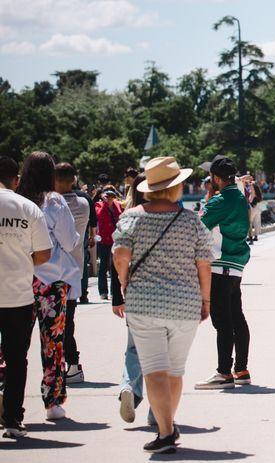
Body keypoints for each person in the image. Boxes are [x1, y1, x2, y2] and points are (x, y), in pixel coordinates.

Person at [112, 156, 213, 453]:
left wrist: (124, 280)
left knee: (154, 369)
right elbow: (204, 263)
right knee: (175, 371)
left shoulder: (131, 217)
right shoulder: (191, 221)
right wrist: (206, 300)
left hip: (144, 303)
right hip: (184, 302)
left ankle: (166, 430)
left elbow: (119, 253)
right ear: (176, 187)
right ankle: (168, 424)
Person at [15, 152, 80, 421]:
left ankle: (6, 389)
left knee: (13, 342)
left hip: (19, 279)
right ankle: (52, 402)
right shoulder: (54, 201)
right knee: (52, 343)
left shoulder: (18, 201)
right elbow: (68, 240)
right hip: (52, 281)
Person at [0, 156, 52, 438]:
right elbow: (45, 253)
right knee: (16, 359)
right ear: (16, 180)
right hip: (17, 296)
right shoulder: (28, 207)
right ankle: (11, 419)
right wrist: (21, 261)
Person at [194, 155, 252, 390]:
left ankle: (223, 372)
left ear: (217, 178)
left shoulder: (219, 201)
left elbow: (199, 226)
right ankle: (241, 369)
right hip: (236, 264)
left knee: (222, 321)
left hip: (220, 263)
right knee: (237, 316)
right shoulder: (240, 197)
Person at [115, 172, 156, 426]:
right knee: (162, 354)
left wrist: (119, 291)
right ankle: (158, 409)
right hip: (166, 294)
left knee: (134, 348)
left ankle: (129, 386)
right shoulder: (170, 216)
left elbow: (117, 257)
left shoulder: (127, 217)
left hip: (135, 292)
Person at [55, 162, 91, 385]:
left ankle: (65, 364)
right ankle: (73, 364)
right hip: (74, 271)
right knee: (68, 321)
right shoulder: (84, 204)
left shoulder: (52, 204)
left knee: (54, 325)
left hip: (52, 272)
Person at [96, 186, 123, 300]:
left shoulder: (117, 205)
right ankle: (103, 292)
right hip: (104, 239)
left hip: (115, 239)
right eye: (107, 196)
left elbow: (121, 217)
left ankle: (114, 291)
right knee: (103, 266)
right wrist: (106, 203)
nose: (110, 198)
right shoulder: (99, 205)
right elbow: (100, 216)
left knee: (115, 267)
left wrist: (113, 204)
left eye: (111, 196)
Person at [245, 178, 263, 244]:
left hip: (253, 208)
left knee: (251, 222)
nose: (250, 187)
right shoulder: (258, 194)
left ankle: (251, 236)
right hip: (257, 208)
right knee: (257, 222)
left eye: (251, 186)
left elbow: (250, 201)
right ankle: (255, 235)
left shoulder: (252, 193)